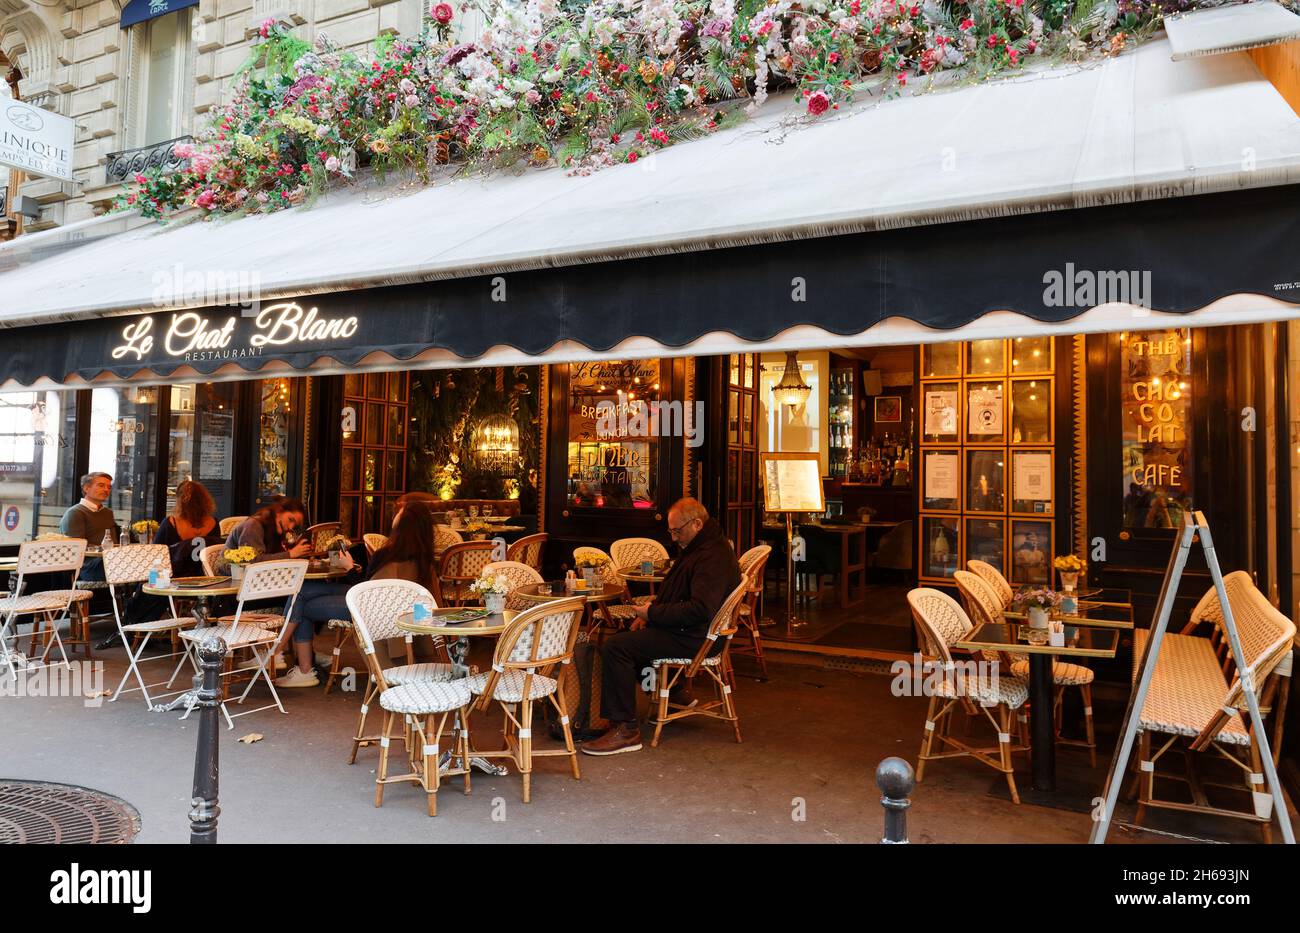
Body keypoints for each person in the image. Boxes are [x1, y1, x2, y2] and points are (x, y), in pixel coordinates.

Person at [582, 497, 741, 756]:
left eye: (677, 530)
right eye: (671, 531)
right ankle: (674, 692)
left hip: (697, 638)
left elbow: (699, 609)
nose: (674, 537)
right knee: (627, 637)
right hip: (692, 632)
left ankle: (626, 729)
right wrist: (649, 616)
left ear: (697, 524)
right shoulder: (705, 547)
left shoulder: (711, 556)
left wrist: (653, 612)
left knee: (616, 647)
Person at [272, 499, 439, 688]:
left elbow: (366, 593)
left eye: (398, 514)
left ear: (402, 524)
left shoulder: (387, 554)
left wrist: (349, 568)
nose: (394, 516)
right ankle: (287, 658)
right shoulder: (424, 558)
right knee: (302, 591)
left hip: (367, 609)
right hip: (387, 609)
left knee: (302, 601)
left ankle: (294, 664)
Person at [155, 480, 223, 576]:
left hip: (175, 580)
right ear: (204, 500)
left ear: (179, 501)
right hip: (206, 578)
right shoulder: (213, 522)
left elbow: (156, 554)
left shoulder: (170, 523)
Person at [59, 472, 118, 581]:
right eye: (101, 485)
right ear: (86, 488)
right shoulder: (75, 512)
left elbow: (113, 542)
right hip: (87, 567)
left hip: (110, 560)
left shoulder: (108, 513)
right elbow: (74, 548)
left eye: (109, 487)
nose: (106, 490)